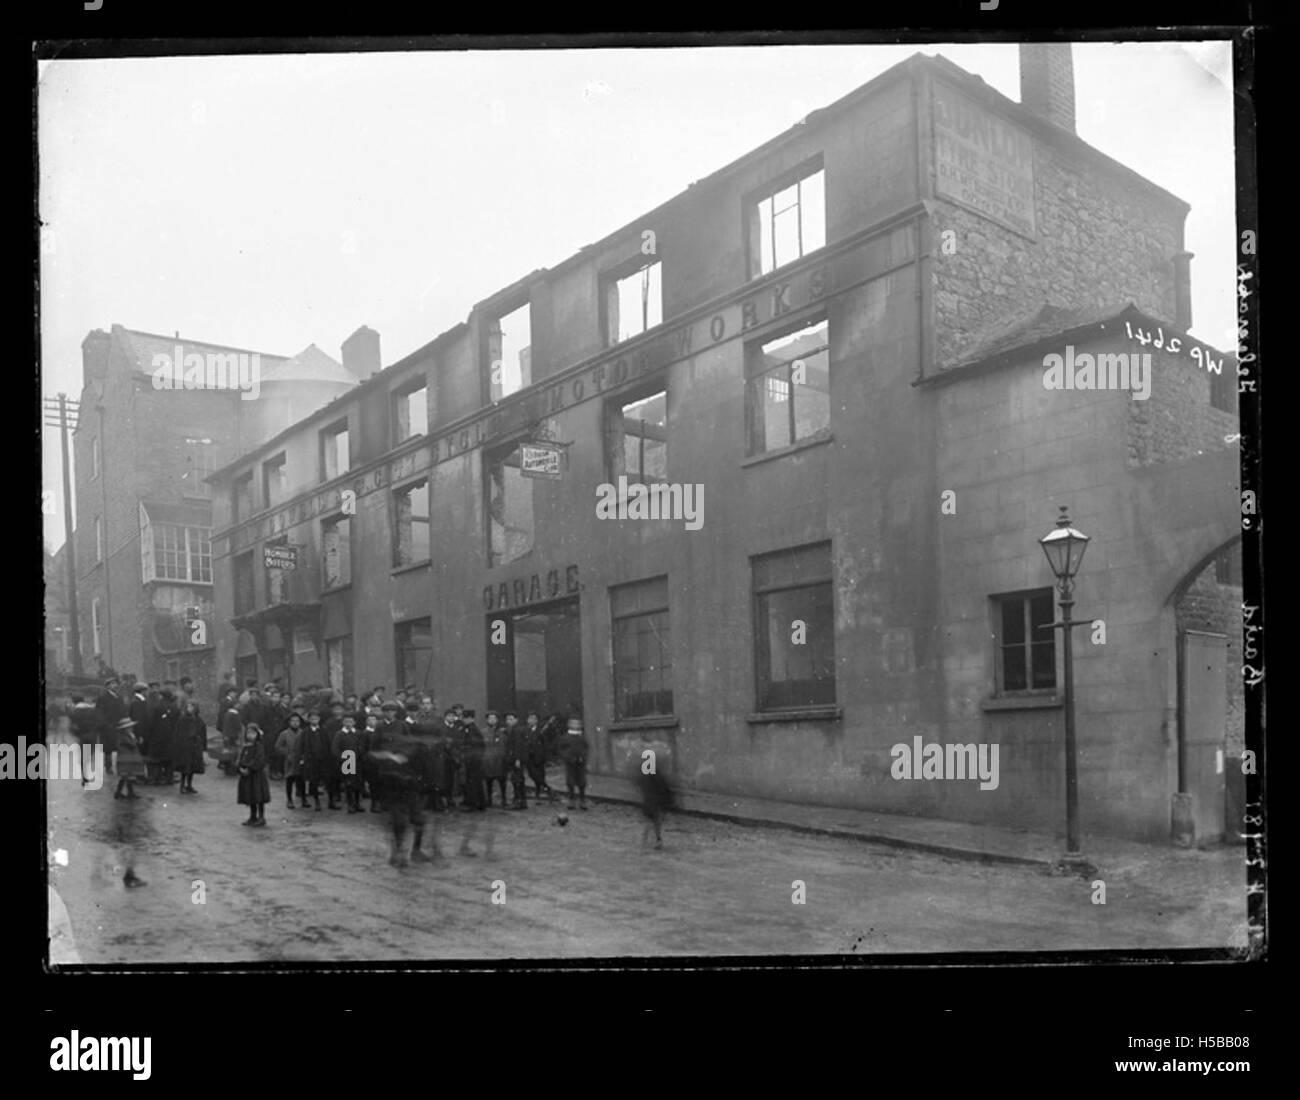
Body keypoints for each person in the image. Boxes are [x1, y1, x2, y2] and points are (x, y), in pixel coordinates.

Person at [370, 711, 441, 868]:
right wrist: (391, 760)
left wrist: (428, 786)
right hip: (395, 789)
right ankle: (397, 852)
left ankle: (415, 851)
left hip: (412, 789)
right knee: (399, 822)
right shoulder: (402, 748)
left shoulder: (424, 749)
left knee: (419, 821)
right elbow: (375, 757)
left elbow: (428, 770)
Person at [236, 724, 270, 826]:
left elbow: (259, 760)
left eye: (253, 733)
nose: (250, 735)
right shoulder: (246, 747)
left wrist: (249, 768)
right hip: (248, 777)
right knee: (251, 797)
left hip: (256, 776)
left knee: (258, 797)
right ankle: (252, 816)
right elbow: (240, 758)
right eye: (248, 733)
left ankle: (261, 817)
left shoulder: (259, 746)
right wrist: (240, 767)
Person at [332, 713, 364, 813]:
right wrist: (343, 758)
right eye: (346, 721)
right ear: (343, 722)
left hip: (358, 761)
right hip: (347, 762)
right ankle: (351, 804)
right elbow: (335, 749)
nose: (348, 724)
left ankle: (358, 803)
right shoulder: (339, 734)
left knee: (359, 783)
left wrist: (361, 755)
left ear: (354, 722)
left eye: (350, 721)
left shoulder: (358, 733)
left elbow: (362, 746)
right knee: (349, 784)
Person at [174, 698, 206, 794]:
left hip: (195, 746)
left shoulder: (198, 719)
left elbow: (202, 731)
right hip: (186, 747)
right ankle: (182, 786)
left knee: (193, 767)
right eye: (188, 706)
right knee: (185, 767)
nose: (190, 708)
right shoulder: (183, 719)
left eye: (192, 706)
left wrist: (202, 745)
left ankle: (189, 785)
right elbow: (179, 733)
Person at [300, 708, 330, 812]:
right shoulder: (305, 732)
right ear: (308, 720)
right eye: (312, 719)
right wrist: (303, 758)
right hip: (311, 760)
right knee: (313, 781)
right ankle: (316, 801)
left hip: (323, 759)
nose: (314, 721)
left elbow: (327, 744)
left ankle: (331, 801)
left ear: (319, 719)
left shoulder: (323, 731)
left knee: (326, 779)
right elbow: (302, 746)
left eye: (316, 719)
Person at [558, 714, 590, 811]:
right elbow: (561, 749)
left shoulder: (582, 737)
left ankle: (582, 800)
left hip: (580, 763)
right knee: (570, 782)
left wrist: (583, 757)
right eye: (573, 723)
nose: (575, 725)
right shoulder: (565, 737)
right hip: (570, 763)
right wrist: (568, 757)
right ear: (569, 725)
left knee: (582, 782)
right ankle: (571, 799)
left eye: (577, 723)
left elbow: (586, 748)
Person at [276, 712, 307, 809]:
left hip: (300, 759)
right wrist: (287, 753)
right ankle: (289, 800)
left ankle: (304, 799)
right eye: (293, 721)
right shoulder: (284, 734)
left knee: (301, 781)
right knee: (289, 780)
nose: (295, 723)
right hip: (289, 761)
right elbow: (278, 747)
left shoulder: (303, 733)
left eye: (297, 721)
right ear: (289, 722)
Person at [113, 717, 146, 800]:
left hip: (129, 759)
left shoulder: (127, 735)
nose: (131, 728)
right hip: (126, 759)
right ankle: (124, 793)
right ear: (124, 729)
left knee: (127, 776)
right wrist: (136, 740)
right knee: (126, 776)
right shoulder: (123, 736)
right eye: (129, 727)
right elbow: (131, 744)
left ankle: (122, 792)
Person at [459, 709, 485, 811]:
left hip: (473, 760)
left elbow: (474, 746)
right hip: (474, 759)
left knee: (472, 782)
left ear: (471, 718)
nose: (464, 719)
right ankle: (480, 803)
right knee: (476, 782)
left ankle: (473, 804)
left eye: (466, 718)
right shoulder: (470, 728)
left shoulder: (472, 730)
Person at [523, 711, 552, 803]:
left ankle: (538, 794)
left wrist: (546, 757)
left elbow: (545, 745)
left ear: (537, 721)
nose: (532, 720)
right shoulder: (525, 731)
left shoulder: (541, 731)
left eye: (534, 719)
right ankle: (547, 788)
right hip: (529, 757)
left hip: (539, 757)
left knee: (540, 775)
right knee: (533, 775)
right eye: (530, 718)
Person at [480, 711, 508, 808]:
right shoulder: (483, 732)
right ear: (487, 720)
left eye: (494, 718)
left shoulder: (502, 732)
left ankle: (504, 799)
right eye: (490, 718)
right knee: (488, 781)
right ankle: (489, 800)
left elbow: (505, 746)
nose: (492, 720)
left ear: (497, 720)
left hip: (499, 761)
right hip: (488, 761)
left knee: (502, 781)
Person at [504, 711, 529, 809]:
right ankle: (522, 801)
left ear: (516, 720)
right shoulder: (512, 730)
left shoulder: (516, 730)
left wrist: (517, 759)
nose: (508, 721)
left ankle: (518, 801)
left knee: (517, 780)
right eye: (507, 719)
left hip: (516, 759)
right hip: (514, 758)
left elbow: (518, 746)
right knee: (518, 779)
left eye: (511, 719)